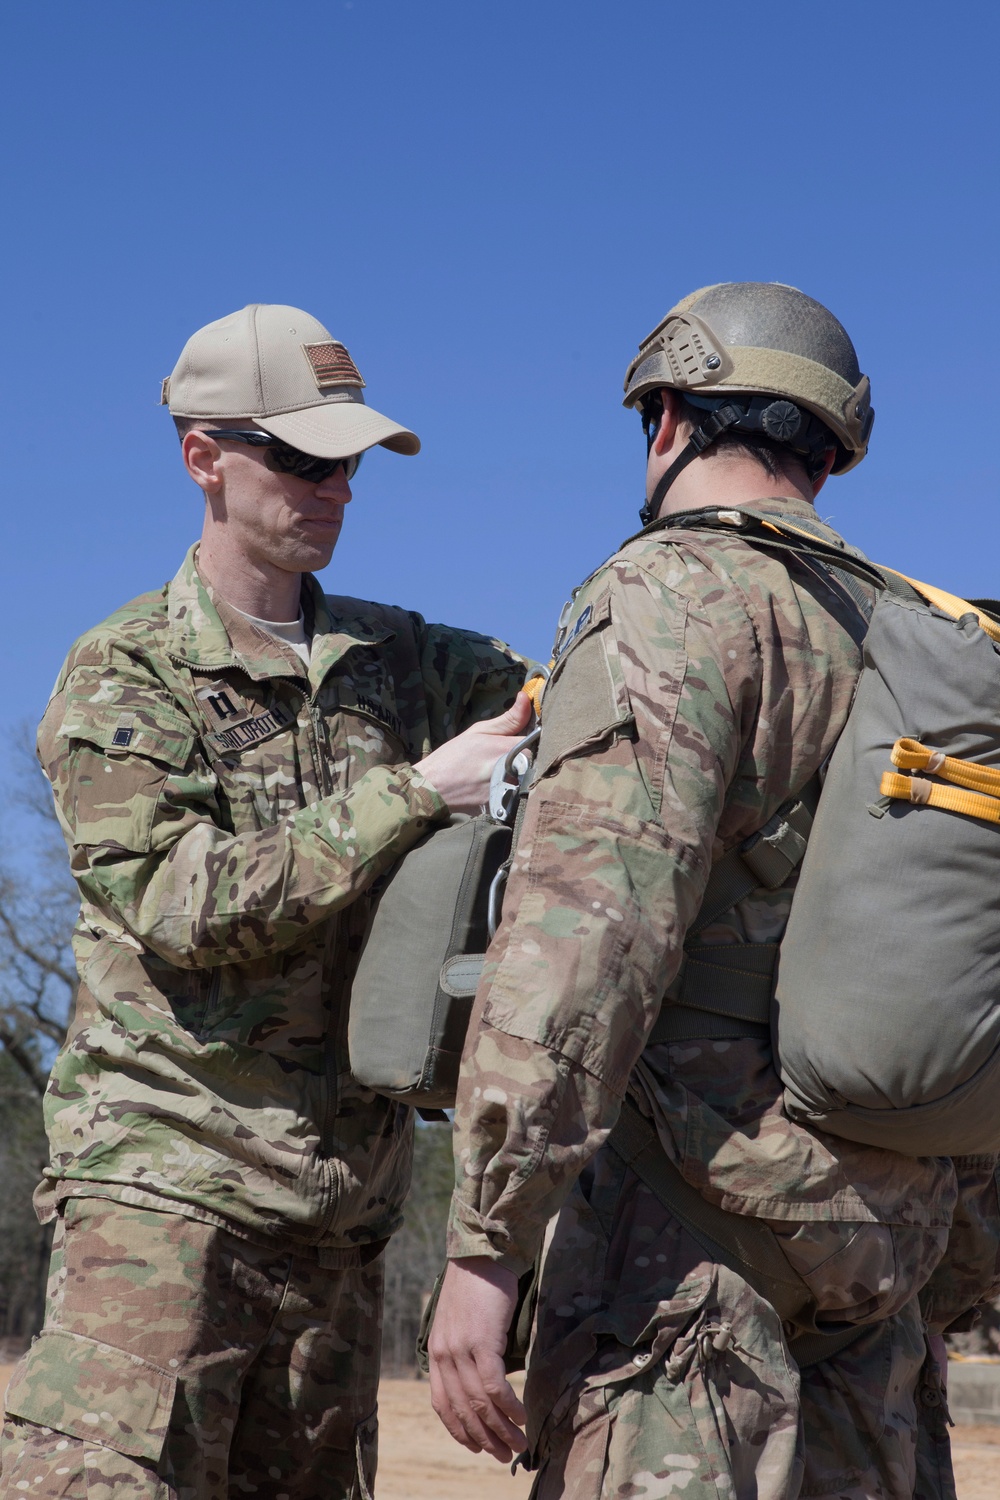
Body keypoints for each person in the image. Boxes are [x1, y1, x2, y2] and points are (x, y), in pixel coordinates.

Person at [428, 282, 1000, 1499]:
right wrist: (953, 1263)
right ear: (829, 453)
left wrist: (487, 1241)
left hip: (682, 1260)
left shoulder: (668, 594)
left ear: (668, 418)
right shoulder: (914, 634)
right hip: (885, 1256)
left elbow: (587, 937)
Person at [1, 303, 534, 1500]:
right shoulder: (125, 668)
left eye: (347, 459)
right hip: (165, 1202)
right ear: (205, 457)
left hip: (341, 1224)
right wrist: (414, 792)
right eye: (302, 458)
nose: (337, 485)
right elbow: (185, 905)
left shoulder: (410, 661)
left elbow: (591, 684)